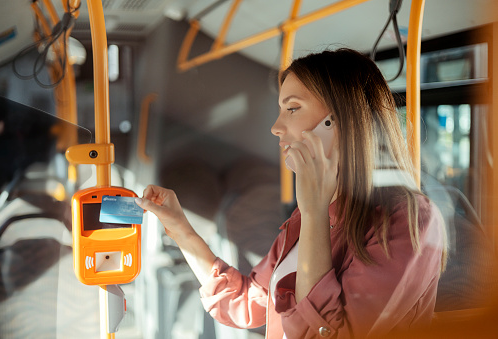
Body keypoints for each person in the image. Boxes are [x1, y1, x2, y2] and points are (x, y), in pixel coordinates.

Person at [135, 48, 447, 339]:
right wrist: (180, 228)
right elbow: (248, 302)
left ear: (338, 121)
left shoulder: (408, 219)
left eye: (292, 109)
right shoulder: (307, 218)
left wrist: (313, 211)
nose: (276, 127)